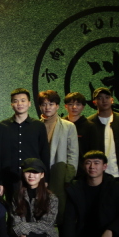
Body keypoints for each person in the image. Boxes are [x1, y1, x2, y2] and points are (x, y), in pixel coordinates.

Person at [10, 158, 62, 237]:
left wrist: (24, 232)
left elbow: (46, 224)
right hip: (22, 236)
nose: (31, 175)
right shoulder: (17, 196)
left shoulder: (51, 198)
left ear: (42, 175)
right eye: (28, 172)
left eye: (35, 172)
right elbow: (15, 221)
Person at [37, 90, 79, 224]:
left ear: (57, 106)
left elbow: (73, 153)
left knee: (60, 210)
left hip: (59, 172)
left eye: (51, 104)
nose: (47, 107)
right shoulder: (35, 125)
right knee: (40, 209)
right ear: (40, 107)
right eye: (44, 104)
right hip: (40, 173)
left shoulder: (68, 126)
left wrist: (69, 175)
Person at [1, 88, 50, 198]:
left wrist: (46, 178)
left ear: (29, 103)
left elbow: (44, 153)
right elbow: (0, 155)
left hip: (33, 178)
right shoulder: (3, 126)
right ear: (11, 104)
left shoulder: (38, 126)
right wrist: (0, 181)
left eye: (23, 100)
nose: (19, 104)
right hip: (10, 178)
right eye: (16, 101)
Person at [85, 87, 119, 190]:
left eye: (107, 97)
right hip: (97, 175)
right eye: (100, 98)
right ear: (94, 102)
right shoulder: (89, 123)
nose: (104, 100)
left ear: (112, 100)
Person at [64, 92, 91, 156]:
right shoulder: (61, 124)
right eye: (70, 104)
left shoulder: (89, 126)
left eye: (78, 104)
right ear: (66, 106)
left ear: (83, 107)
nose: (74, 107)